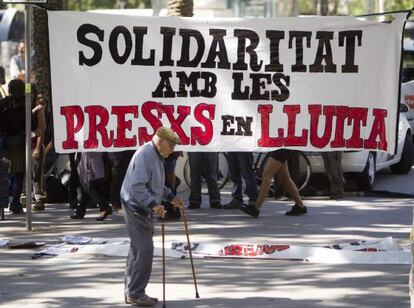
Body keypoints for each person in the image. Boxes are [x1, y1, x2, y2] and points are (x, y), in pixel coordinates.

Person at [121, 127, 183, 307]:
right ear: (160, 141)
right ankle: (136, 293)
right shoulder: (146, 155)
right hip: (135, 205)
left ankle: (132, 291)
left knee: (137, 249)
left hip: (138, 205)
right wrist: (153, 205)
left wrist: (171, 197)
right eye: (171, 146)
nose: (172, 150)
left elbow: (156, 185)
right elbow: (137, 187)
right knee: (145, 249)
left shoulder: (156, 156)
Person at [240, 149, 307, 218]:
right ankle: (300, 205)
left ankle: (256, 208)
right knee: (284, 177)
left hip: (281, 147)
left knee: (267, 175)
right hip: (280, 146)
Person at [0, 79, 26, 214]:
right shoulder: (25, 105)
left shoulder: (3, 103)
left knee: (2, 174)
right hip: (19, 143)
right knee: (18, 175)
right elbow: (32, 125)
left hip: (4, 142)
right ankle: (15, 203)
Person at [70, 152, 113, 221]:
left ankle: (104, 207)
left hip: (91, 155)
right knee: (86, 186)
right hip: (87, 155)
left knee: (91, 185)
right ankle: (80, 211)